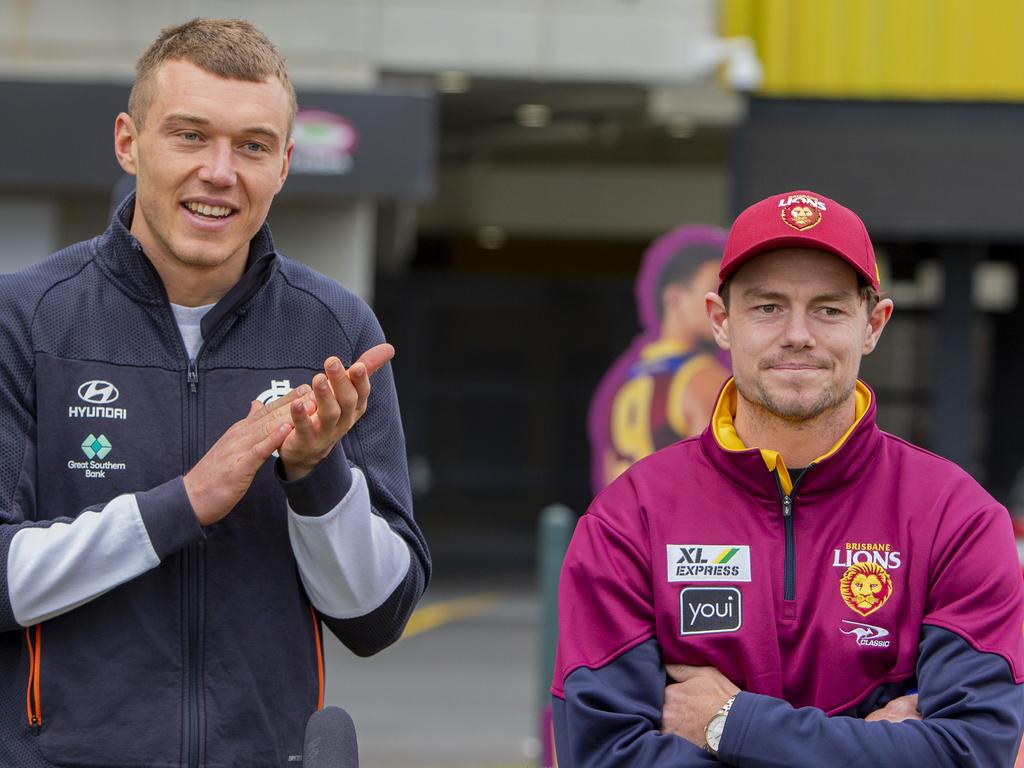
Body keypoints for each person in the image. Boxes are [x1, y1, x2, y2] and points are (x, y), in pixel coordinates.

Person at [0, 18, 429, 767]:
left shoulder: (335, 330)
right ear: (130, 143)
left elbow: (375, 616)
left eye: (252, 146)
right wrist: (187, 501)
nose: (220, 171)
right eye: (190, 135)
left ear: (286, 164)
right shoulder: (25, 320)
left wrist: (316, 473)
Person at [553, 190, 1024, 766]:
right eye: (767, 307)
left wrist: (731, 724)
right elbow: (603, 754)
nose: (798, 333)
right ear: (721, 322)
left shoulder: (958, 518)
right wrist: (881, 748)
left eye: (828, 308)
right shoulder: (629, 518)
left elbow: (970, 751)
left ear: (873, 325)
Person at [588, 226, 731, 492]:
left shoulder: (626, 379)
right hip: (681, 529)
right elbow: (717, 487)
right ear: (674, 299)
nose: (723, 304)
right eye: (713, 290)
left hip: (628, 527)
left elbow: (609, 479)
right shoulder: (705, 379)